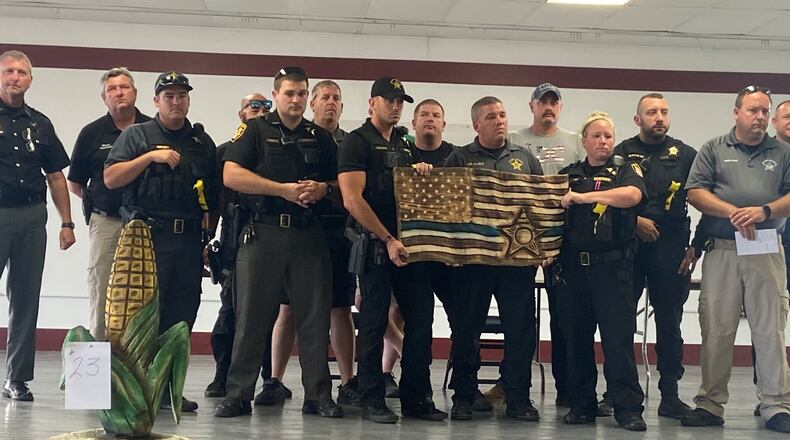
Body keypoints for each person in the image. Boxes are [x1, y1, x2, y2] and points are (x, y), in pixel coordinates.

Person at [214, 67, 342, 419]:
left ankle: (317, 395)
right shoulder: (255, 130)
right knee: (251, 317)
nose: (296, 100)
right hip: (263, 232)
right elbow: (231, 174)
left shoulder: (321, 137)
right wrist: (281, 190)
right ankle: (238, 393)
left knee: (315, 319)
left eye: (302, 94)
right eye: (290, 93)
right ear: (276, 96)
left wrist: (324, 189)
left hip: (308, 235)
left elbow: (341, 182)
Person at [104, 71, 219, 413]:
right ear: (155, 101)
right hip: (148, 238)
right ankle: (135, 389)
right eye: (168, 95)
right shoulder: (138, 135)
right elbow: (110, 178)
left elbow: (214, 196)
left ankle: (169, 389)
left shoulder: (201, 142)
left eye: (181, 95)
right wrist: (149, 158)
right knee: (141, 316)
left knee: (182, 315)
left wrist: (207, 240)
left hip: (187, 241)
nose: (175, 101)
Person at [681, 86, 790, 433]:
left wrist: (764, 211)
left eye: (764, 112)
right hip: (723, 247)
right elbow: (695, 192)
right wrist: (736, 213)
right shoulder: (714, 148)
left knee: (769, 329)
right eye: (753, 110)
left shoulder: (783, 152)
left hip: (765, 244)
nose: (759, 117)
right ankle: (710, 404)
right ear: (736, 112)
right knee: (717, 328)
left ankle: (775, 404)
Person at [338, 76, 445, 423]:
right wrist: (387, 238)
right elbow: (353, 200)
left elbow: (410, 190)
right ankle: (372, 399)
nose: (396, 106)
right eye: (389, 100)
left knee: (421, 323)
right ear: (372, 103)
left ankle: (416, 398)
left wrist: (422, 170)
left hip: (410, 249)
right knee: (372, 324)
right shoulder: (357, 142)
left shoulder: (405, 143)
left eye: (400, 101)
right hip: (375, 247)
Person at [257, 80, 360, 407]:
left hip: (339, 233)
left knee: (340, 308)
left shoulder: (351, 143)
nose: (331, 103)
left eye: (337, 99)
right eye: (324, 98)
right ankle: (274, 380)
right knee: (287, 309)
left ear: (342, 107)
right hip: (302, 230)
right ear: (312, 104)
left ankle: (347, 382)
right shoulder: (300, 136)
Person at [443, 96, 542, 422]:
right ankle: (464, 396)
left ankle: (518, 398)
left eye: (502, 115)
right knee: (466, 330)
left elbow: (542, 206)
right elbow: (447, 210)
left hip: (516, 264)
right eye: (491, 116)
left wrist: (543, 250)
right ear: (476, 125)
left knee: (521, 331)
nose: (499, 120)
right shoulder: (458, 158)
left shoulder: (524, 158)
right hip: (473, 264)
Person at [556, 111, 647, 431]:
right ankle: (582, 404)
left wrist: (585, 197)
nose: (603, 141)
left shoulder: (625, 170)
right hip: (574, 270)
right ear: (584, 142)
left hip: (612, 268)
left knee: (617, 340)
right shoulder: (569, 175)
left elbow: (632, 196)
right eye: (596, 136)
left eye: (608, 135)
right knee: (576, 340)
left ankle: (627, 408)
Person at [612, 93, 698, 419]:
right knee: (618, 320)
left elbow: (700, 199)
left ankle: (670, 395)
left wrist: (695, 246)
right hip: (628, 244)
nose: (659, 117)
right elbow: (607, 201)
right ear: (638, 119)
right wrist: (635, 223)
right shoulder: (621, 153)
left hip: (671, 243)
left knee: (669, 320)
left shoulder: (686, 155)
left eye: (663, 112)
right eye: (651, 112)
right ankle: (618, 391)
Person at [500, 82, 583, 407]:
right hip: (517, 237)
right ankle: (510, 385)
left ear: (560, 107)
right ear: (531, 106)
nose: (548, 107)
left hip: (562, 242)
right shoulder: (514, 141)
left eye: (554, 102)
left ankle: (568, 388)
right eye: (542, 101)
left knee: (563, 317)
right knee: (516, 316)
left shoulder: (576, 142)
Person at [0, 50, 75, 402]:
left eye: (22, 72)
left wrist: (67, 222)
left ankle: (17, 378)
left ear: (30, 80)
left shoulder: (40, 123)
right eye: (9, 71)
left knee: (26, 299)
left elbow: (56, 175)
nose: (15, 77)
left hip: (31, 217)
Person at [67, 67, 151, 341]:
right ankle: (100, 362)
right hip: (107, 222)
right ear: (104, 98)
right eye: (112, 89)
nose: (119, 93)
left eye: (124, 87)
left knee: (144, 292)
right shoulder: (91, 133)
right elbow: (75, 182)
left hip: (147, 223)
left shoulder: (152, 129)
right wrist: (99, 203)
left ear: (135, 93)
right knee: (103, 288)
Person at [205, 92, 272, 398]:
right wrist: (208, 239)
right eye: (253, 105)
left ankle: (271, 379)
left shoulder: (277, 148)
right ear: (241, 113)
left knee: (273, 313)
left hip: (272, 236)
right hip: (234, 234)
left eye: (265, 106)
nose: (260, 110)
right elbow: (215, 202)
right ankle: (223, 375)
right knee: (230, 312)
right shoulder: (224, 152)